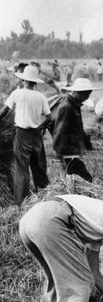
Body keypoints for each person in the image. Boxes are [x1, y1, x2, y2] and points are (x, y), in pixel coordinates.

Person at [0, 65, 51, 204]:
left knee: (22, 169)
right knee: (39, 166)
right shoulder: (41, 96)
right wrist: (41, 126)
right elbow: (50, 118)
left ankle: (22, 203)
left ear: (24, 80)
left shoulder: (17, 94)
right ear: (35, 82)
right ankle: (45, 197)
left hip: (22, 134)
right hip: (36, 134)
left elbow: (4, 111)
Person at [50, 78, 103, 182]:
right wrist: (61, 153)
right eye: (87, 94)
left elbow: (78, 127)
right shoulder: (66, 107)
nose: (87, 97)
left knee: (76, 179)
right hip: (68, 152)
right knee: (85, 179)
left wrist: (87, 143)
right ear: (79, 93)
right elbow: (60, 131)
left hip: (73, 150)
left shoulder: (74, 105)